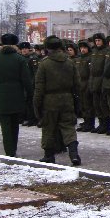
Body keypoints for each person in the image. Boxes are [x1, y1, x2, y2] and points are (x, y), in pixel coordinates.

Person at [33, 35, 81, 165]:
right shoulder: (70, 62)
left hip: (49, 100)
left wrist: (36, 104)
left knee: (48, 127)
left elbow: (39, 87)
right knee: (68, 127)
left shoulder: (44, 64)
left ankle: (49, 155)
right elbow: (77, 84)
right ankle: (74, 154)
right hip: (67, 99)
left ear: (47, 48)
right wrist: (76, 100)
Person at [0, 33, 33, 157]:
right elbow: (27, 80)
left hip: (0, 97)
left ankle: (9, 151)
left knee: (5, 126)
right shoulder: (20, 59)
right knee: (15, 125)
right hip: (17, 97)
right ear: (15, 45)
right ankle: (13, 149)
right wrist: (30, 94)